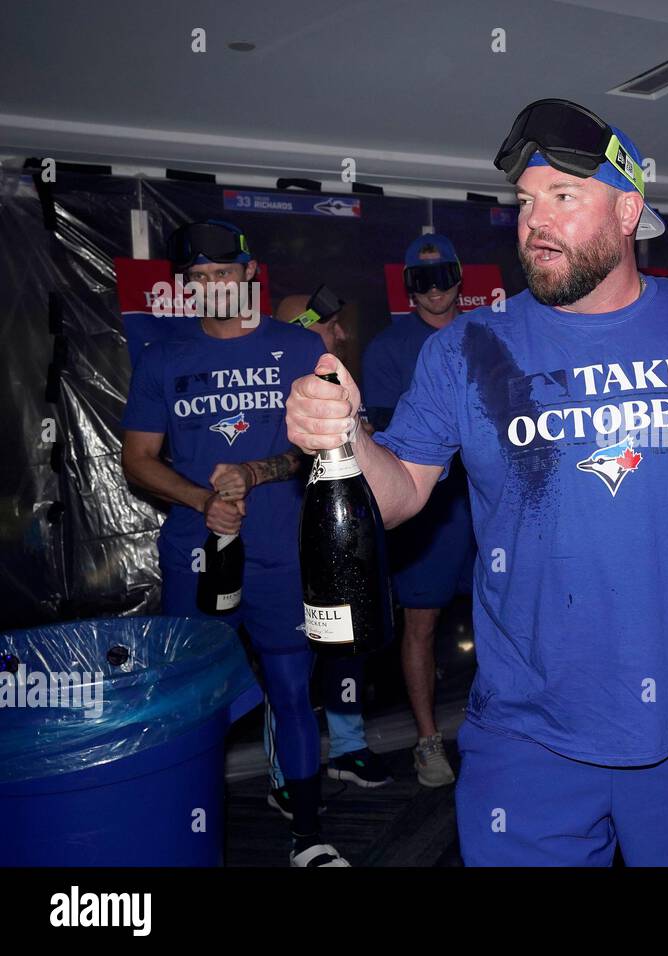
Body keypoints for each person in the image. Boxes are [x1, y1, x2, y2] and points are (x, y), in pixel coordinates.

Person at [285, 98, 668, 866]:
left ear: (628, 209)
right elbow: (397, 490)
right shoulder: (471, 346)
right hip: (526, 733)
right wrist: (342, 440)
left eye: (564, 197)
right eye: (524, 201)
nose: (533, 221)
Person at [121, 220, 348, 866]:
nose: (211, 286)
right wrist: (204, 500)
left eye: (223, 273)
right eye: (197, 278)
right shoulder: (164, 359)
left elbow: (331, 448)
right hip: (197, 549)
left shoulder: (300, 348)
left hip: (281, 547)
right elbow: (137, 458)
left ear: (249, 274)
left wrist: (254, 473)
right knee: (192, 701)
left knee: (291, 687)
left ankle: (309, 835)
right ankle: (181, 837)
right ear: (185, 287)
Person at [265, 291, 392, 795]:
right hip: (281, 544)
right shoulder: (279, 382)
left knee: (349, 643)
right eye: (329, 325)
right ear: (302, 327)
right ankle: (285, 778)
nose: (341, 334)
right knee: (289, 669)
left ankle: (346, 746)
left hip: (341, 539)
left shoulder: (333, 379)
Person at [361, 234, 474, 788]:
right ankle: (428, 739)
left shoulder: (487, 335)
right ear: (407, 287)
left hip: (489, 504)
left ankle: (507, 729)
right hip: (427, 509)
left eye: (442, 276)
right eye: (420, 280)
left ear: (459, 278)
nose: (433, 290)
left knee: (511, 617)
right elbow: (381, 442)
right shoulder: (388, 348)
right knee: (422, 625)